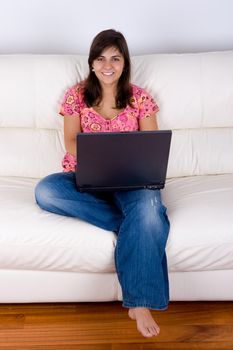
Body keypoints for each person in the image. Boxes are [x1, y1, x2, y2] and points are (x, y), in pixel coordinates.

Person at [35, 29, 170, 338]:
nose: (108, 65)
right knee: (45, 190)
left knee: (147, 204)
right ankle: (138, 224)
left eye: (115, 58)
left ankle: (140, 302)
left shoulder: (140, 97)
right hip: (87, 178)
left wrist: (126, 161)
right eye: (101, 58)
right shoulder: (76, 95)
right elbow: (70, 142)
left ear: (125, 62)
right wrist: (100, 156)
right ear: (92, 63)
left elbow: (152, 146)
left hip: (133, 181)